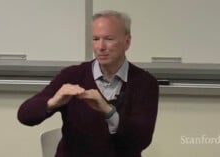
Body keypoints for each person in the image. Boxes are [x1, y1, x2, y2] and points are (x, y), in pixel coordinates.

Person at [17, 10, 159, 157]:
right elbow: (25, 116)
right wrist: (52, 102)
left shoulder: (145, 83)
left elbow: (141, 140)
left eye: (109, 39)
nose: (100, 47)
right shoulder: (72, 75)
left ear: (127, 42)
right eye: (95, 39)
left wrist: (108, 111)